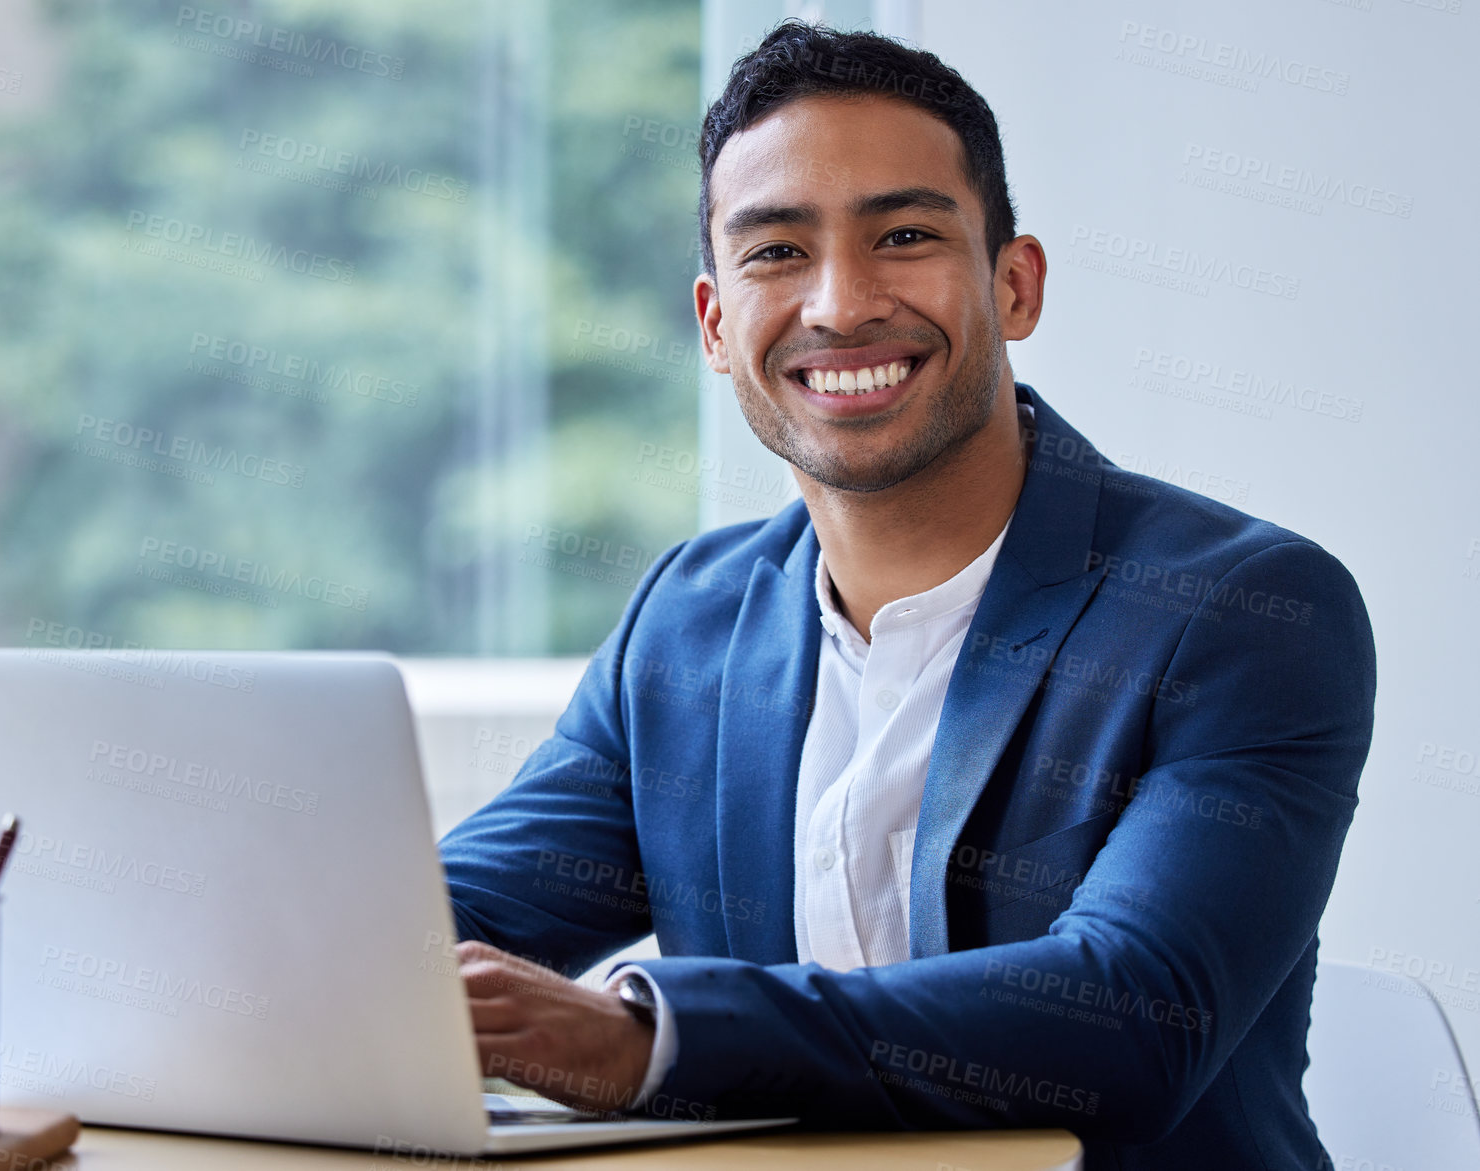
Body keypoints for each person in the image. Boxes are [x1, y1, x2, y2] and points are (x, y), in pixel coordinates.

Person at [439, 21, 1374, 1170]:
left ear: (1013, 282)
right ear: (716, 325)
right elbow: (445, 910)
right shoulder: (687, 620)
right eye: (775, 252)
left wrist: (646, 1038)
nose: (839, 304)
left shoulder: (1241, 611)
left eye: (904, 234)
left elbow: (1128, 1015)